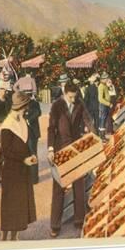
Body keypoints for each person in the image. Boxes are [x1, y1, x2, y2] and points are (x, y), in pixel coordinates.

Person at [47, 82, 95, 237]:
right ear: (64, 92)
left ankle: (79, 220)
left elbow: (88, 120)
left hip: (76, 149)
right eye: (71, 96)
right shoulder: (57, 106)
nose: (73, 99)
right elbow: (51, 128)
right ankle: (55, 225)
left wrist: (94, 136)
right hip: (61, 149)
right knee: (59, 188)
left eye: (75, 96)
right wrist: (50, 149)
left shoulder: (79, 103)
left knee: (79, 185)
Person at [0, 91, 38, 241]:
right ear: (19, 106)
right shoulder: (7, 126)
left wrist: (31, 154)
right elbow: (6, 151)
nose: (26, 110)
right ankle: (3, 237)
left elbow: (25, 143)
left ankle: (14, 236)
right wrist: (23, 160)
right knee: (10, 204)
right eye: (24, 107)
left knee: (20, 203)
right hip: (12, 170)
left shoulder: (21, 120)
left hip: (23, 169)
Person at [23, 90, 42, 184]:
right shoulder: (22, 104)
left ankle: (34, 178)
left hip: (33, 133)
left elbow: (38, 113)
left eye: (28, 95)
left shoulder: (34, 103)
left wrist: (28, 120)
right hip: (23, 133)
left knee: (33, 154)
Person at [97, 72, 112, 142]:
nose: (107, 80)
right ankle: (102, 137)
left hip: (105, 105)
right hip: (103, 105)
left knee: (104, 120)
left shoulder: (104, 85)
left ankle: (102, 136)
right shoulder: (101, 86)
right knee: (102, 120)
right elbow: (100, 99)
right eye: (106, 78)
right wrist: (108, 103)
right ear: (102, 79)